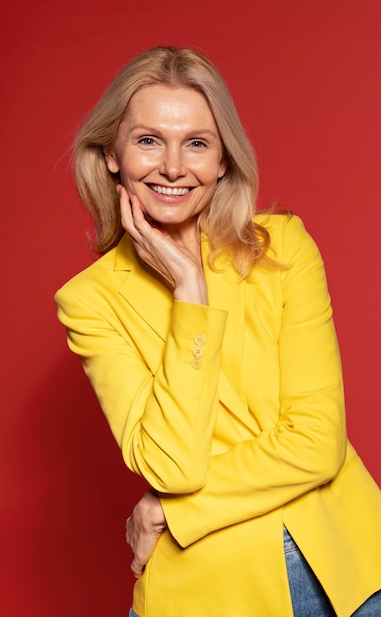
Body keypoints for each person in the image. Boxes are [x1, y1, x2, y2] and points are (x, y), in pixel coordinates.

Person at [55, 46, 381, 616]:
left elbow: (317, 443)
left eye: (197, 143)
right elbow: (173, 464)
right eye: (149, 140)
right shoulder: (90, 303)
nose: (174, 167)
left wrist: (172, 510)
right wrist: (189, 291)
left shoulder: (283, 248)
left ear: (223, 159)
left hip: (346, 568)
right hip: (207, 589)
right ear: (112, 153)